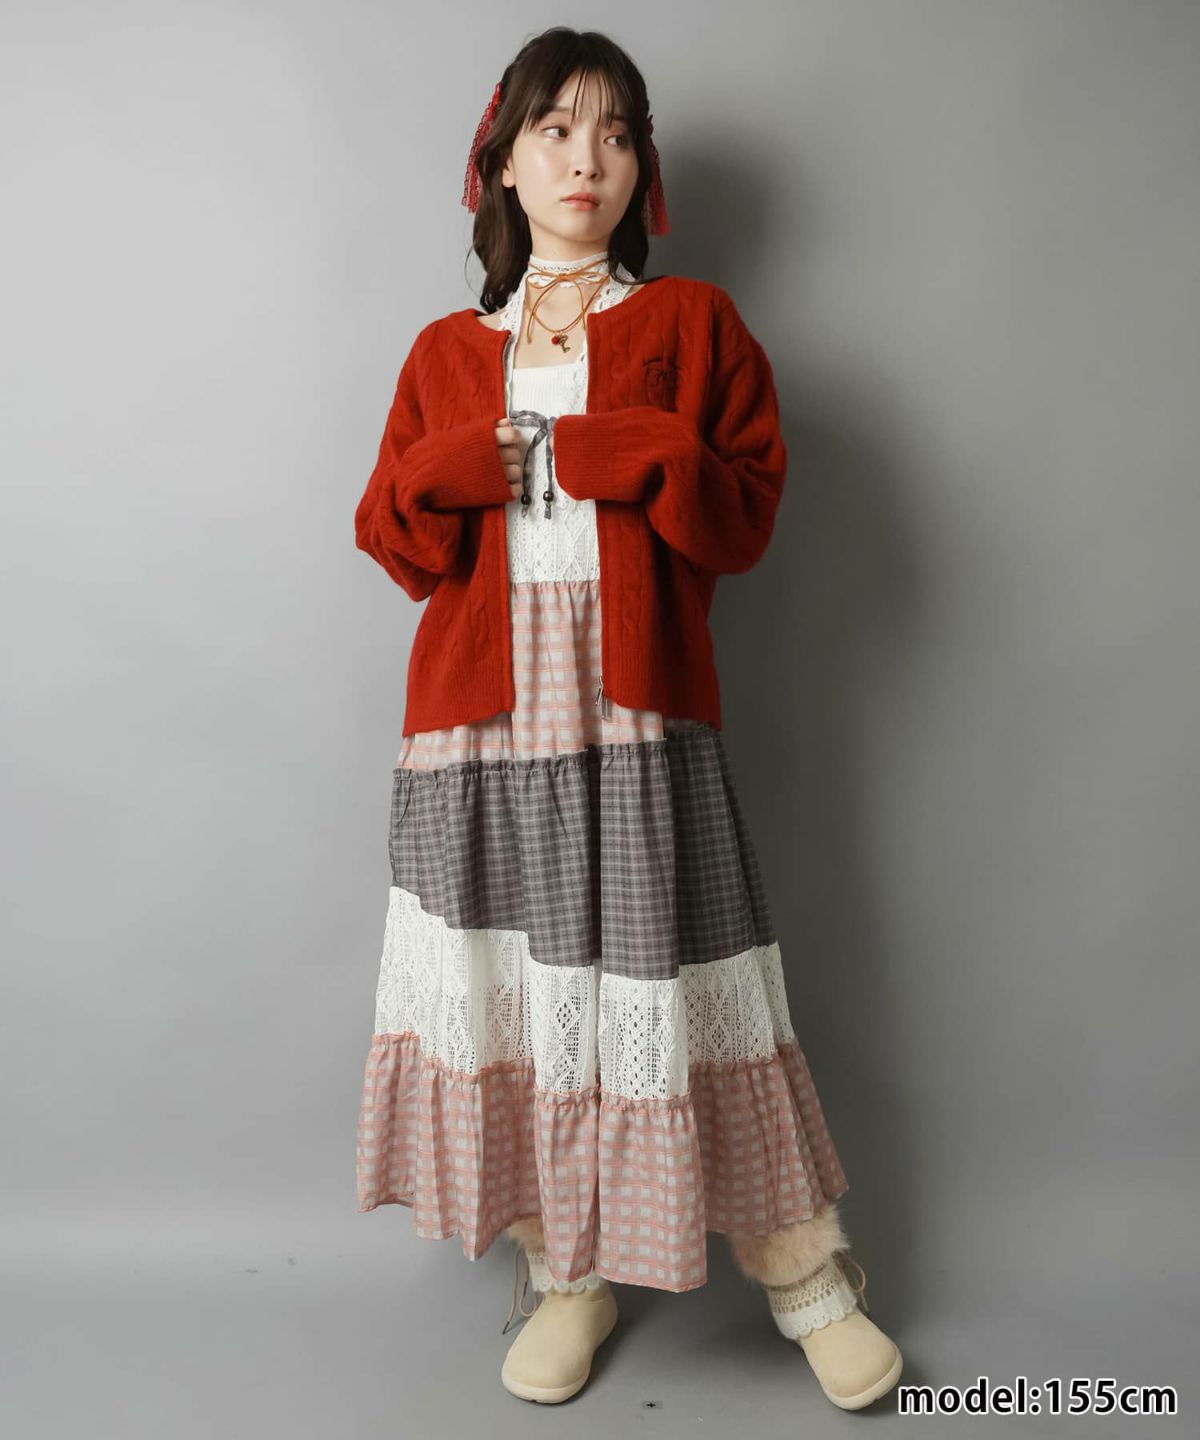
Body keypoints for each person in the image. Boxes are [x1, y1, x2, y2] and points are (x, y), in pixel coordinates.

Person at [352, 24, 903, 1413]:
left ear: (640, 167)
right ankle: (568, 1278)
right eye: (554, 129)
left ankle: (810, 1282)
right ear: (503, 162)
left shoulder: (691, 326)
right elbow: (395, 539)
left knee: (694, 994)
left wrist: (647, 448)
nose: (583, 158)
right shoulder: (444, 354)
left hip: (634, 716)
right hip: (480, 735)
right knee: (532, 1010)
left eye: (612, 131)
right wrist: (452, 467)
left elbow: (744, 517)